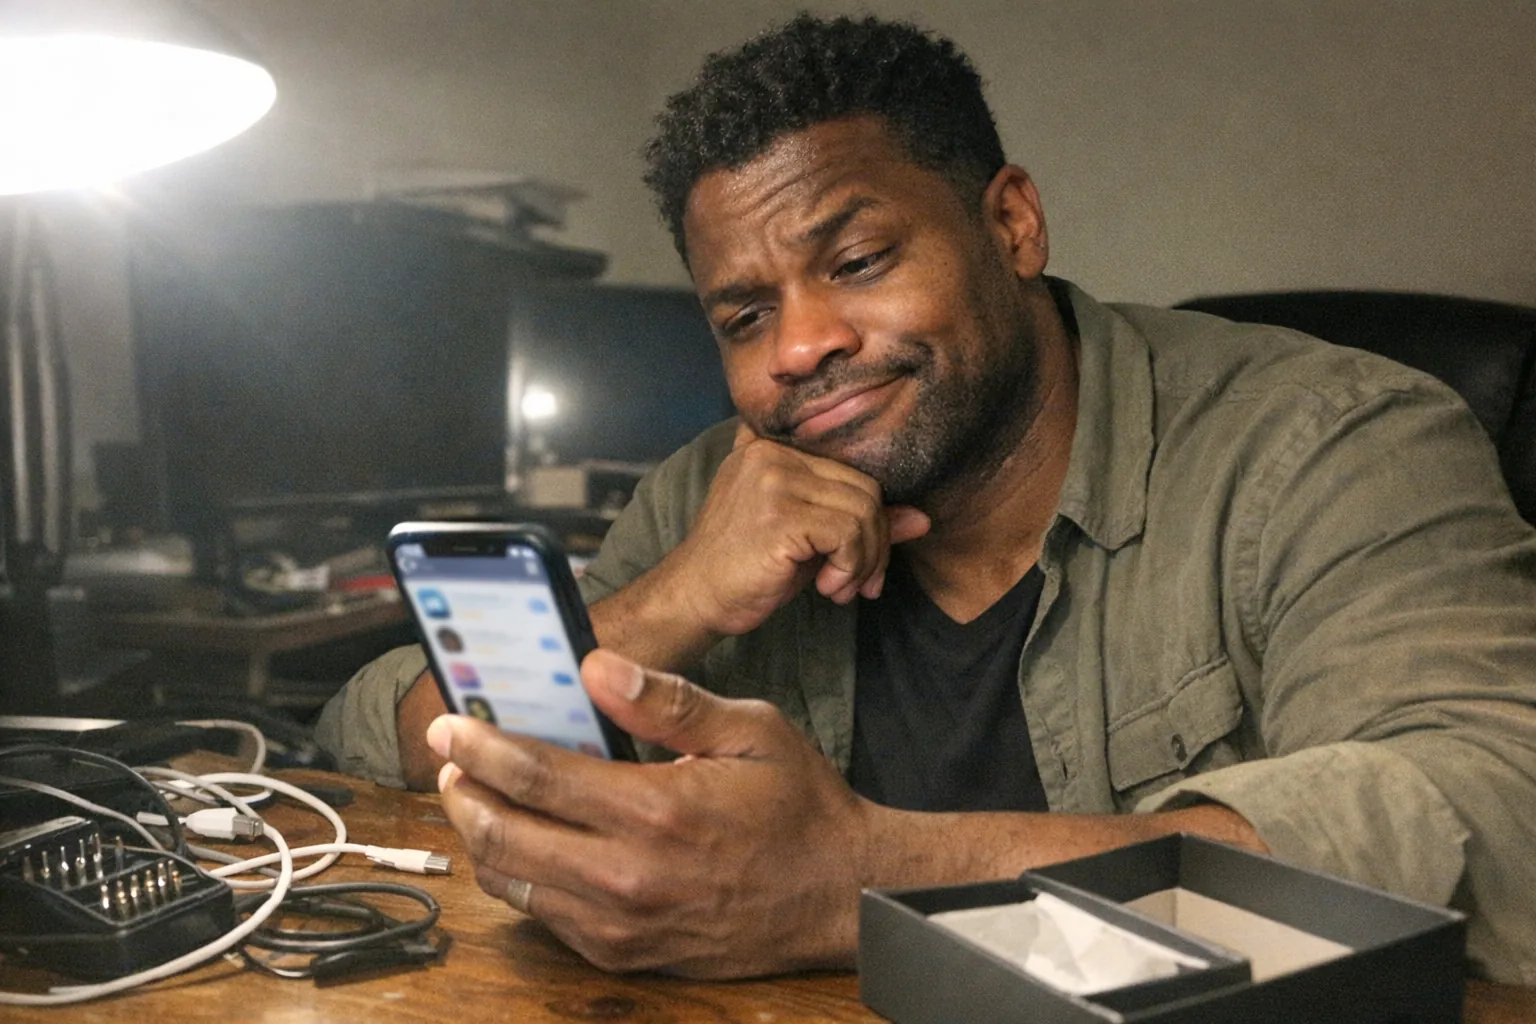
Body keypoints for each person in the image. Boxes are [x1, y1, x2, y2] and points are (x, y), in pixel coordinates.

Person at [316, 13, 1536, 983]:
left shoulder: (1330, 442)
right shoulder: (716, 482)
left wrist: (861, 878)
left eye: (856, 263)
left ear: (1010, 224)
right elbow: (375, 738)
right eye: (745, 317)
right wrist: (668, 601)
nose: (799, 348)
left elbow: (1499, 810)